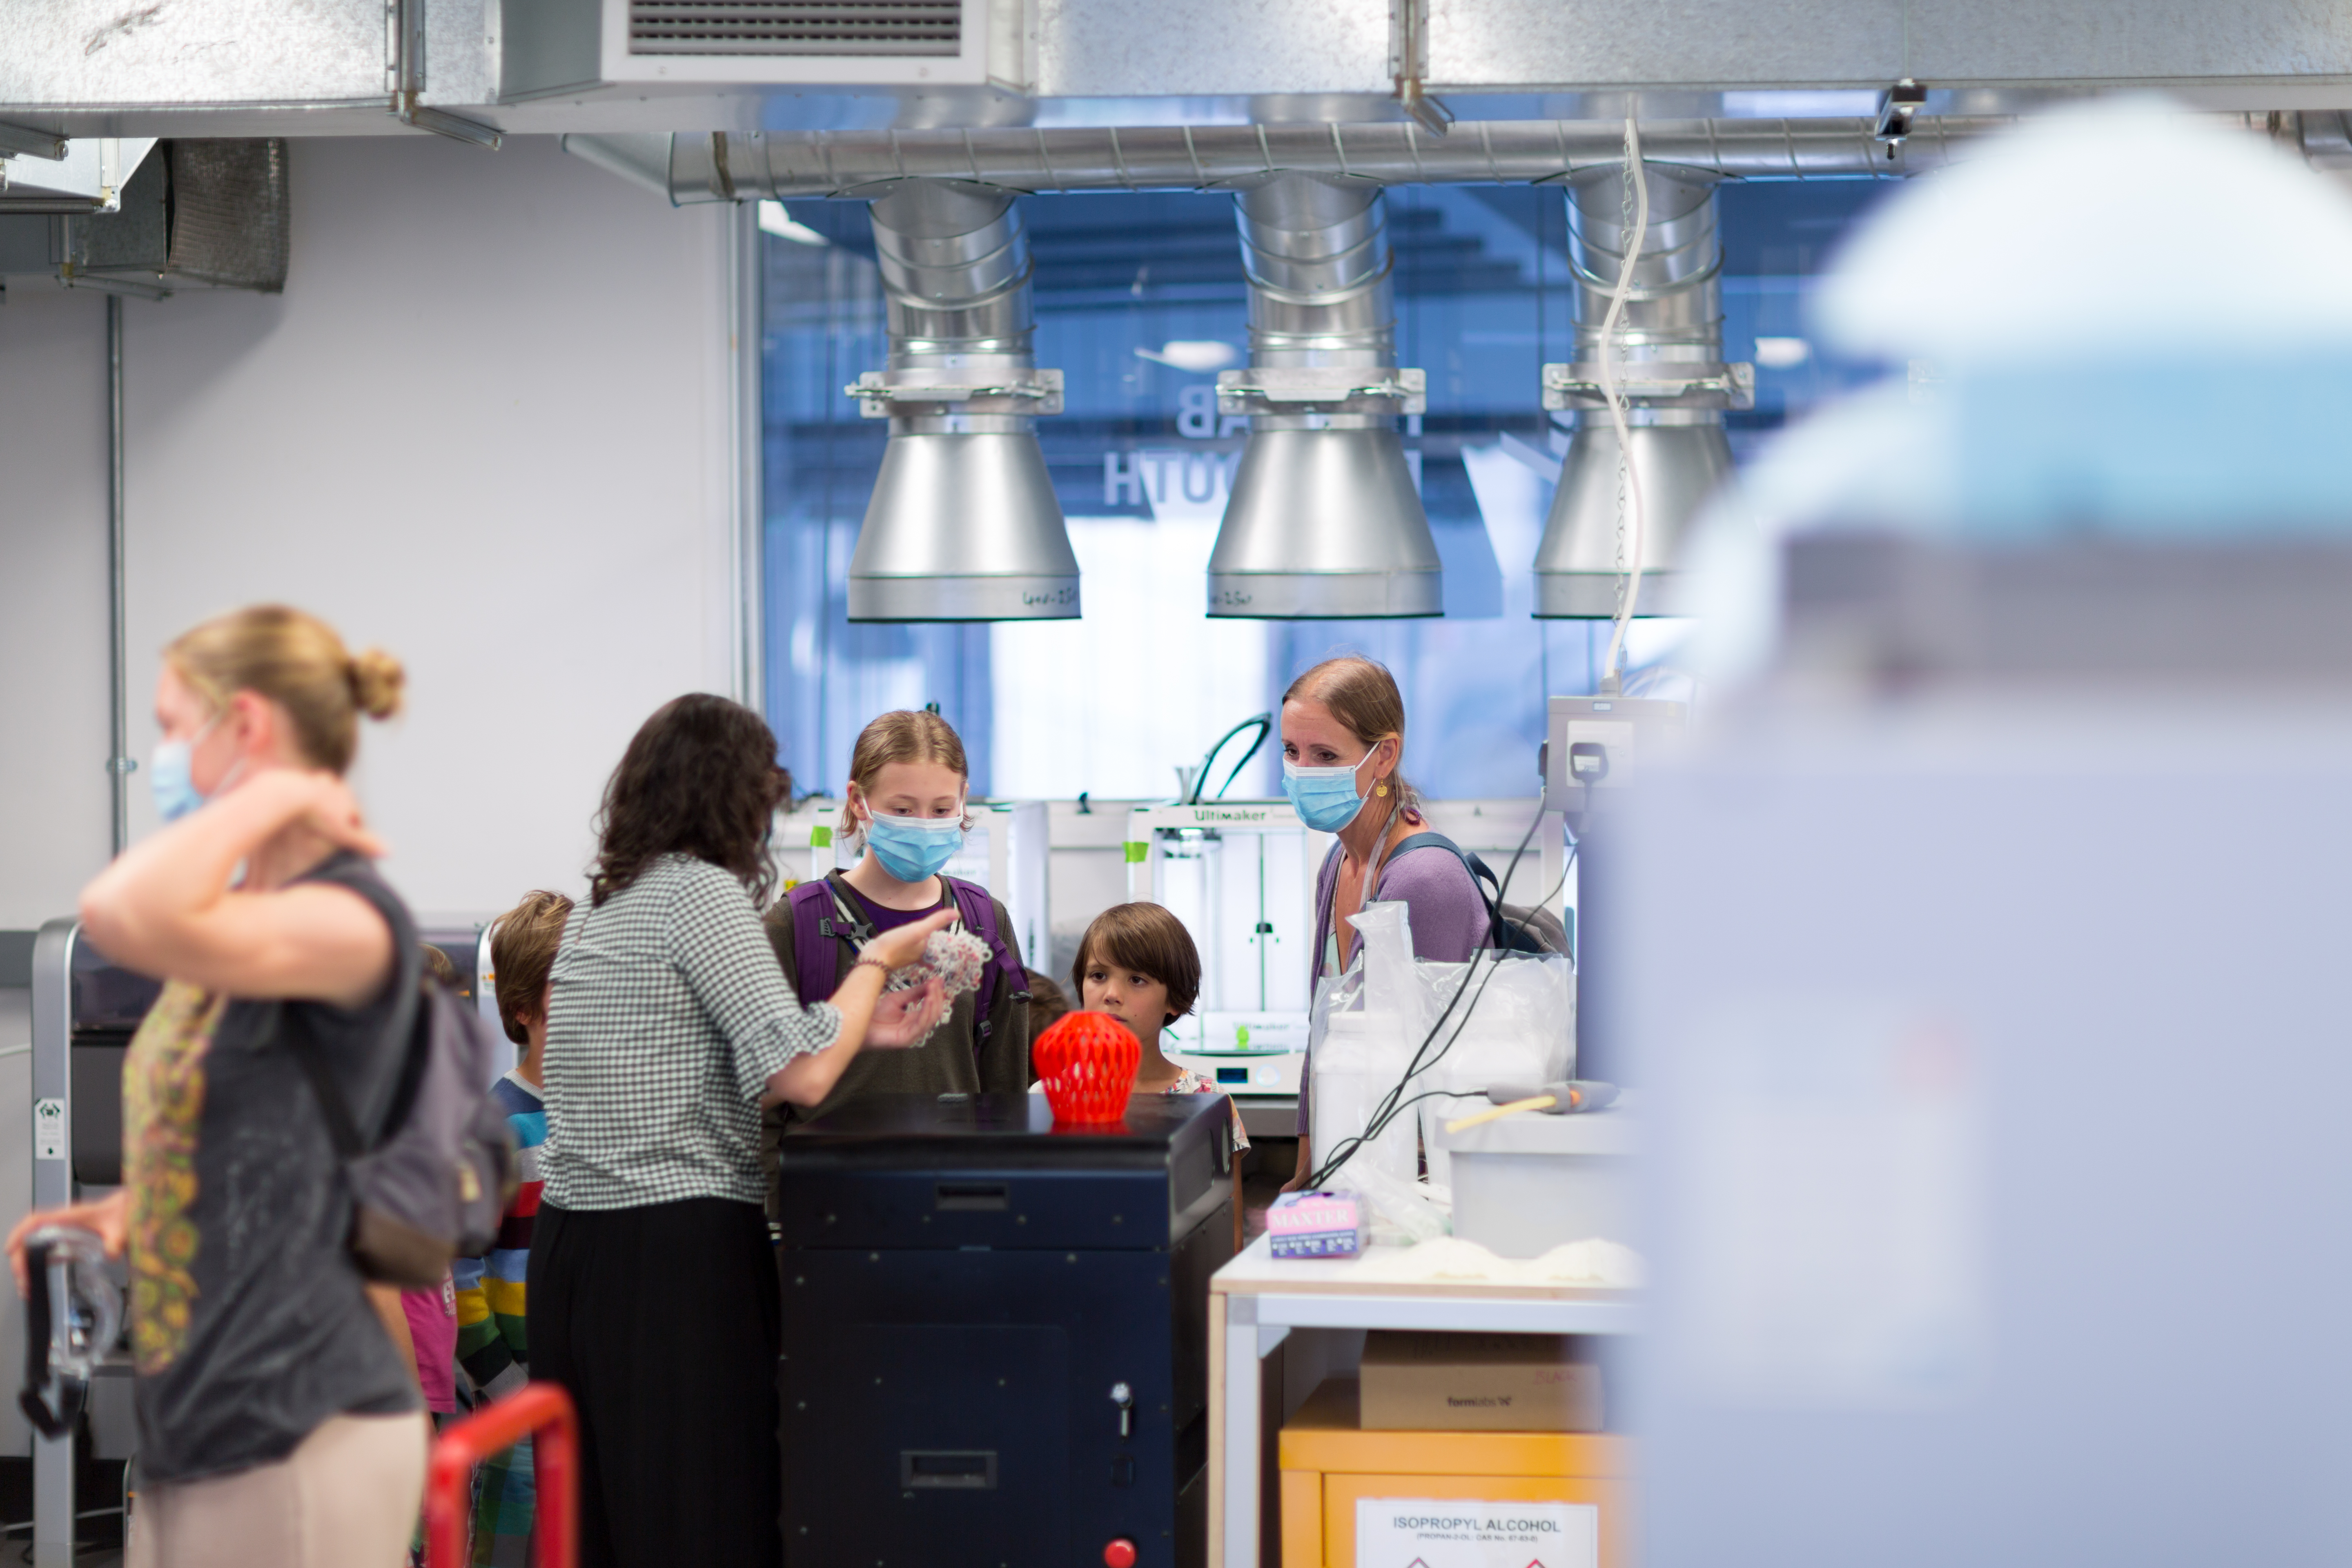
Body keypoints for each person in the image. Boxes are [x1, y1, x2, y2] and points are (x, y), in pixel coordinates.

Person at [5, 604, 425, 1568]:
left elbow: (117, 907)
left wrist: (266, 793)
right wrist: (127, 1210)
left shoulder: (341, 923)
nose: (155, 756)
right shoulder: (238, 926)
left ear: (245, 727)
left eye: (168, 727)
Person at [530, 694, 951, 1568]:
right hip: (671, 1257)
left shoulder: (606, 910)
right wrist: (875, 963)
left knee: (606, 1523)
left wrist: (858, 1027)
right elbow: (798, 1078)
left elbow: (683, 1080)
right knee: (705, 1516)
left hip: (575, 1256)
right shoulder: (701, 896)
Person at [761, 710, 1030, 1134]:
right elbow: (759, 1102)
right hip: (829, 1190)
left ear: (964, 799)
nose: (924, 826)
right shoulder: (797, 925)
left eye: (942, 809)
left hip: (952, 1185)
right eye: (903, 809)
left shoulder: (984, 922)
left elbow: (1007, 1097)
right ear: (857, 801)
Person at [1280, 656, 1489, 1190]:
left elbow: (1430, 1072)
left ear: (1384, 756)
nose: (1303, 771)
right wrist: (1305, 1173)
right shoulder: (1339, 862)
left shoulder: (1424, 879)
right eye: (1292, 752)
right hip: (1354, 1154)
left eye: (1325, 755)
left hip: (1422, 1176)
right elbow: (1324, 1033)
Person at [452, 890, 570, 1567]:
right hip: (516, 1404)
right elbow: (461, 1278)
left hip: (590, 1390)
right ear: (523, 1009)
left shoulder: (611, 1113)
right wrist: (507, 1393)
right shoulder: (491, 1127)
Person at [1069, 903, 1250, 1151]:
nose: (1111, 995)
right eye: (1098, 976)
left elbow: (1226, 1190)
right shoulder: (1047, 1099)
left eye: (1137, 980)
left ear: (1175, 1000)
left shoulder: (1207, 1099)